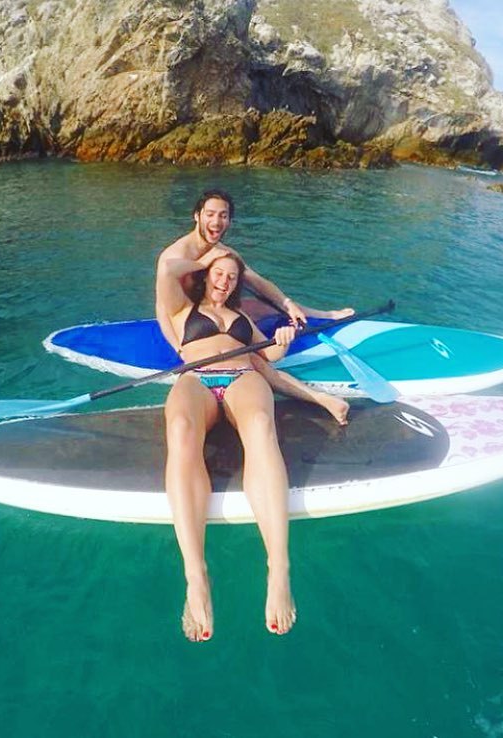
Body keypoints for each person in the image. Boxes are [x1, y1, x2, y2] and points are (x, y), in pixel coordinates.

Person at [160, 246, 302, 642]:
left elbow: (269, 353)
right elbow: (168, 270)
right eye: (219, 274)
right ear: (206, 275)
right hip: (195, 379)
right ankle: (196, 576)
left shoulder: (243, 320)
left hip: (242, 377)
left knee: (260, 424)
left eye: (233, 277)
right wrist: (209, 260)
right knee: (181, 429)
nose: (225, 281)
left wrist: (283, 339)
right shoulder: (182, 309)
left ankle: (278, 569)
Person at [155, 189, 353, 423]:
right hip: (190, 320)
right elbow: (163, 308)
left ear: (229, 220)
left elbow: (257, 281)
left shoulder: (224, 252)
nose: (216, 222)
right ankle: (322, 399)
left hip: (220, 309)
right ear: (197, 216)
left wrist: (287, 303)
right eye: (210, 214)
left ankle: (323, 315)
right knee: (257, 362)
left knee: (264, 306)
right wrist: (179, 347)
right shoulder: (176, 253)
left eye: (223, 216)